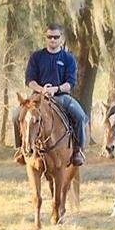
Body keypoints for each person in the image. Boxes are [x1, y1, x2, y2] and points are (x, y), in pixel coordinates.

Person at [23, 22, 87, 167]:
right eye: (50, 37)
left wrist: (55, 89)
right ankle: (21, 150)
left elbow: (70, 83)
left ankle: (78, 150)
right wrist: (41, 89)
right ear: (46, 37)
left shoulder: (68, 58)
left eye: (56, 37)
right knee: (16, 115)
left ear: (61, 39)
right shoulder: (36, 57)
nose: (52, 40)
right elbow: (29, 80)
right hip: (38, 98)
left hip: (61, 97)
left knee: (80, 116)